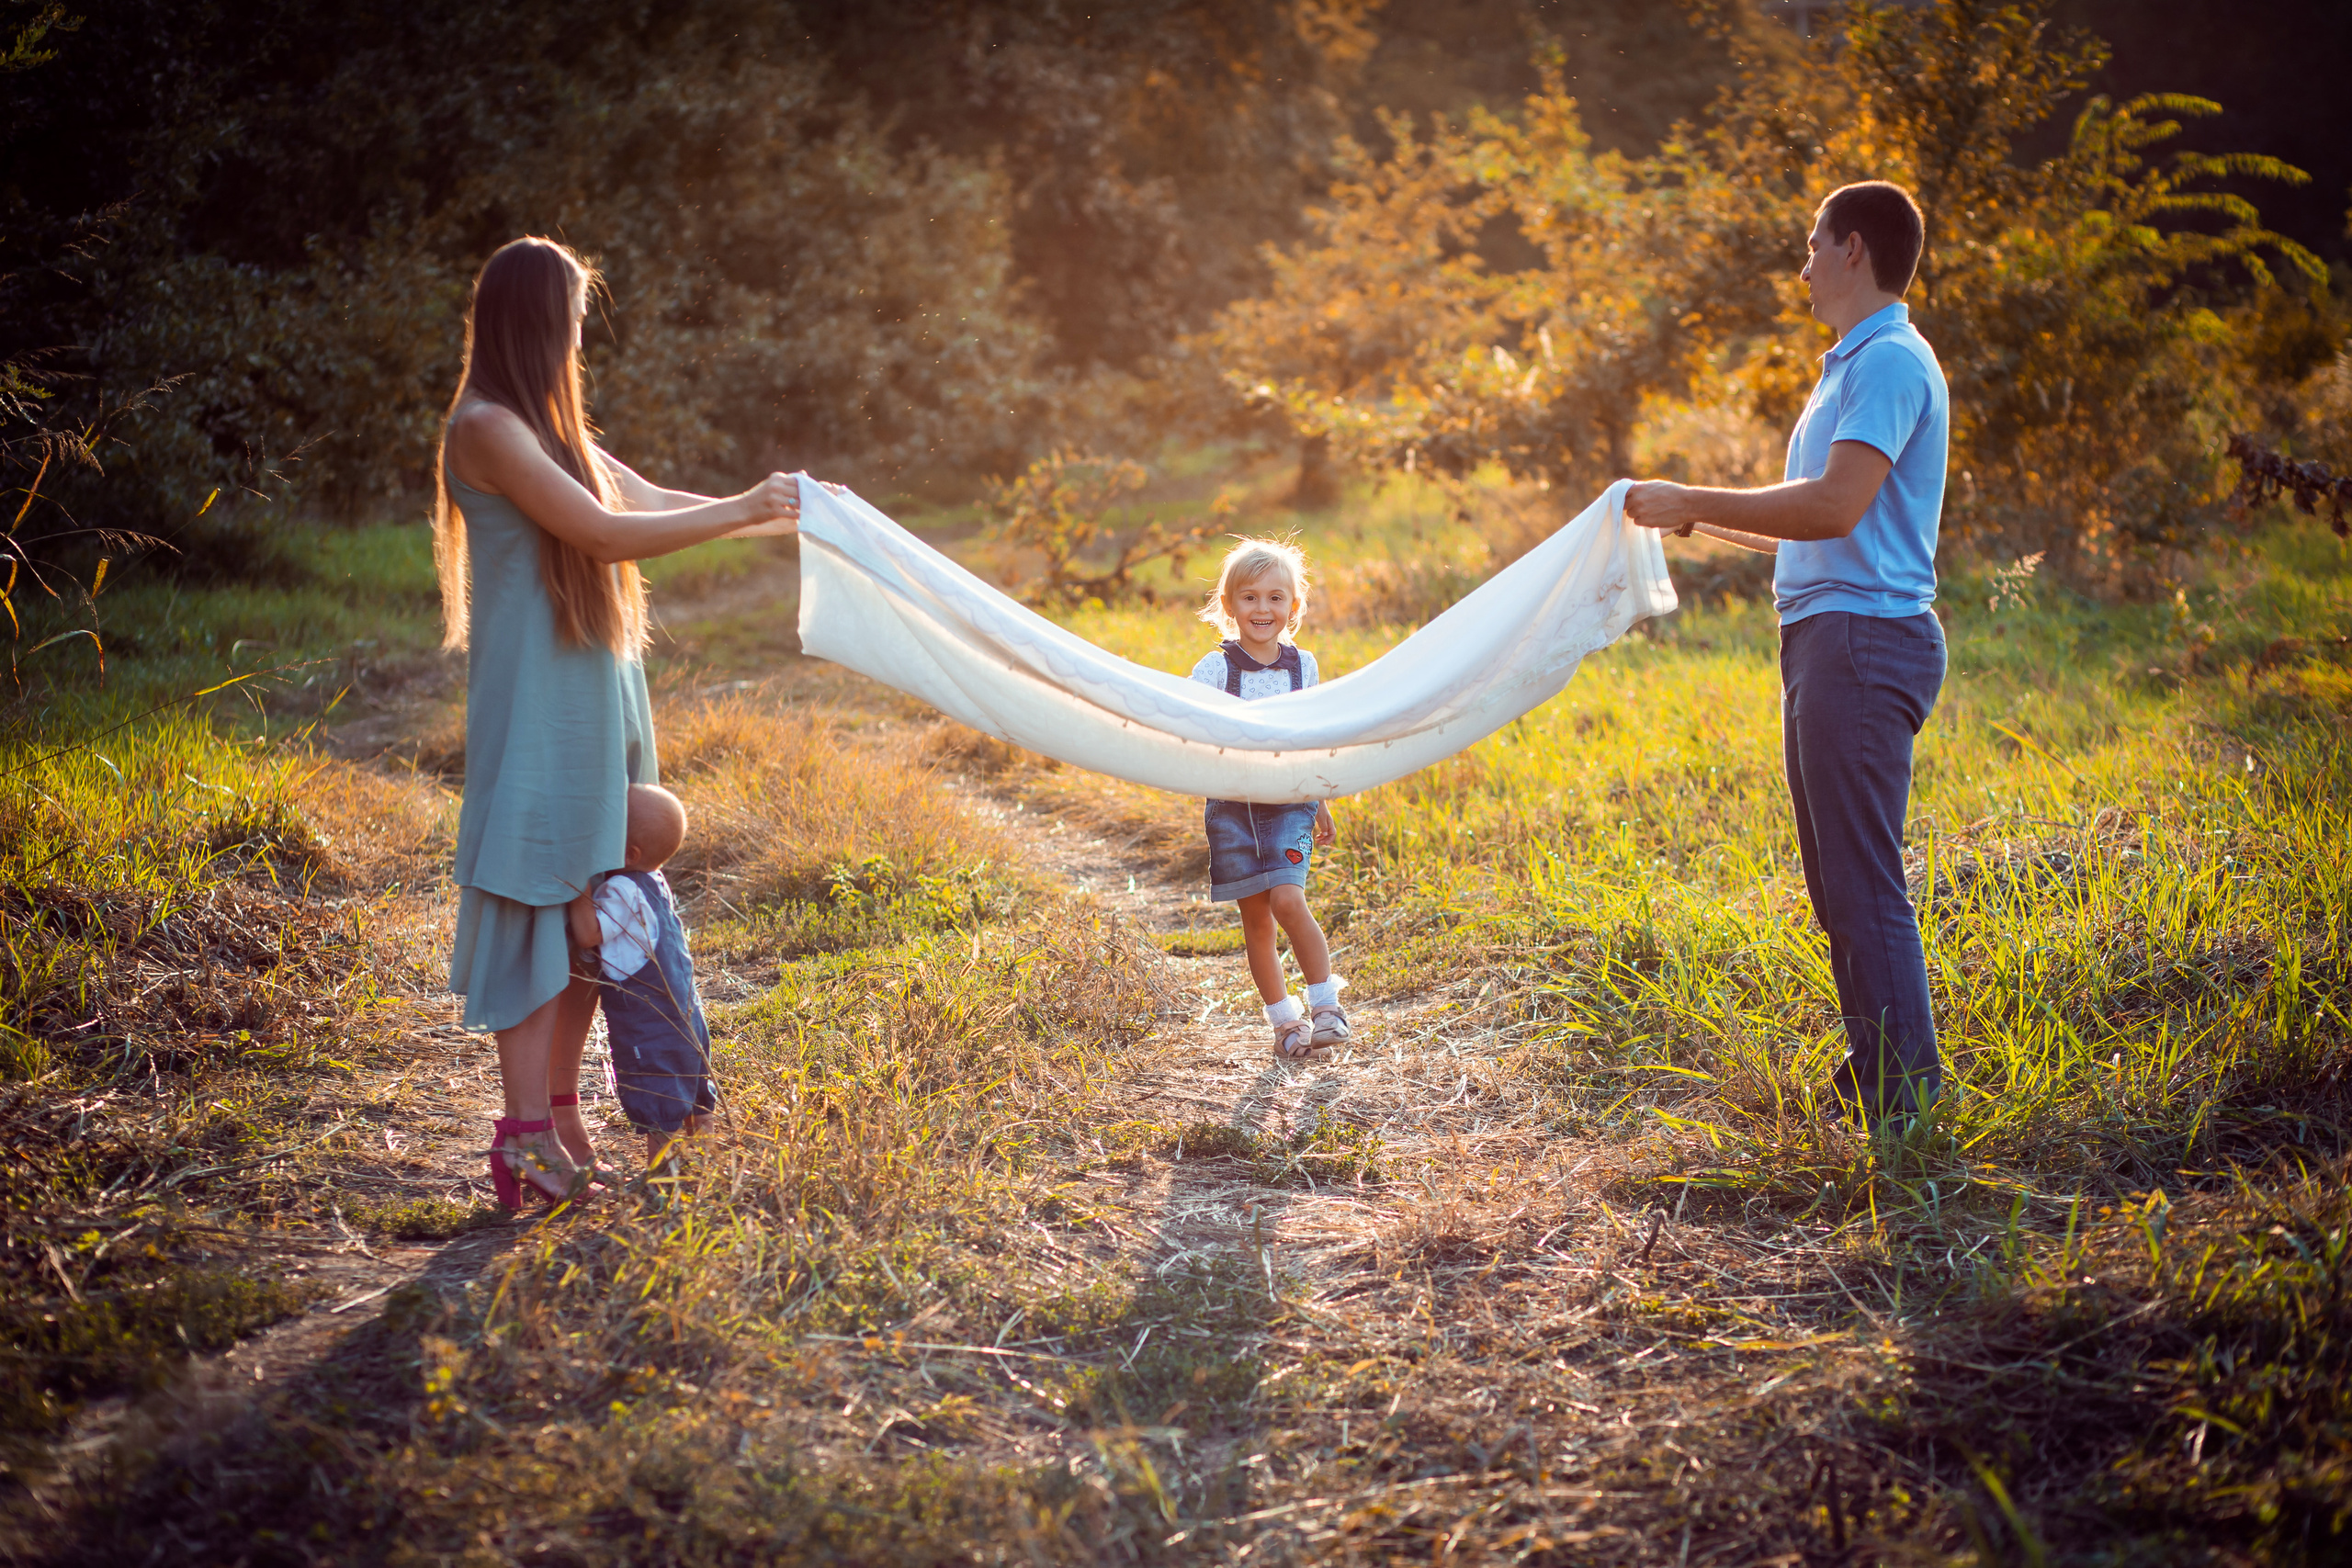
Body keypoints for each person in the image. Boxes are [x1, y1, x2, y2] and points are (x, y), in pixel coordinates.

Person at [435, 235, 809, 1207]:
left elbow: (645, 501)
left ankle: (559, 1110)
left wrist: (798, 516)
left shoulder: (553, 433)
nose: (577, 340)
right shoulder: (486, 428)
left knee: (597, 910)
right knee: (536, 909)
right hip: (538, 705)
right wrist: (740, 508)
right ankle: (520, 1137)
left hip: (596, 691)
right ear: (536, 321)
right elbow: (602, 535)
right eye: (571, 319)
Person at [1623, 180, 1950, 1126]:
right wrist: (1694, 517)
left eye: (1812, 245)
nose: (1802, 266)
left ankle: (1903, 1099)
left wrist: (1696, 493)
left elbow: (1831, 506)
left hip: (1860, 640)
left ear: (1852, 248)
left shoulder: (1887, 361)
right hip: (1829, 633)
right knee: (1836, 880)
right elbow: (1823, 524)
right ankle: (1878, 1079)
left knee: (1860, 879)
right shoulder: (1854, 362)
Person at [1188, 538, 1349, 1060]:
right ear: (1229, 604)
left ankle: (1326, 1007)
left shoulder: (1305, 668)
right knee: (1256, 920)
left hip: (1289, 802)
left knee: (1287, 899)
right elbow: (1182, 718)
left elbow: (1310, 736)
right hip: (1233, 809)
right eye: (1250, 598)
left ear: (1293, 606)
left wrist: (1320, 799)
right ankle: (1284, 1022)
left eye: (1276, 598)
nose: (1263, 609)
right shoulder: (1214, 669)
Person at [565, 784, 713, 1169]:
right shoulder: (654, 880)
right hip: (686, 1010)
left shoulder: (621, 890)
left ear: (628, 854)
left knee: (657, 1089)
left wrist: (578, 884)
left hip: (649, 1020)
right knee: (697, 1090)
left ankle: (662, 1171)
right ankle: (706, 1162)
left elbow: (588, 934)